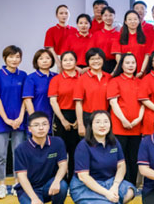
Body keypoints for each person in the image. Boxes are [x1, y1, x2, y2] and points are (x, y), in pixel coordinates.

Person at [71, 110, 136, 204]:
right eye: (98, 122)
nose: (102, 125)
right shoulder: (83, 145)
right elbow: (84, 177)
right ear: (91, 125)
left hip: (108, 182)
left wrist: (115, 186)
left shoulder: (114, 142)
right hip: (85, 186)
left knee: (130, 191)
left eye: (106, 122)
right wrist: (107, 194)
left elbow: (121, 165)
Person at [14, 112, 68, 204]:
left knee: (62, 185)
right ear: (29, 129)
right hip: (29, 189)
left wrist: (56, 181)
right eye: (36, 125)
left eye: (44, 124)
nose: (41, 128)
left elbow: (63, 165)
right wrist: (34, 198)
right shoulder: (21, 149)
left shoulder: (57, 142)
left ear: (49, 126)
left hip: (49, 185)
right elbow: (22, 177)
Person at [0, 45, 28, 199]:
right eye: (11, 56)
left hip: (19, 121)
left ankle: (17, 183)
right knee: (1, 155)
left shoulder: (23, 75)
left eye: (17, 57)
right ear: (5, 58)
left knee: (18, 154)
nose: (14, 60)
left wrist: (20, 117)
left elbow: (26, 98)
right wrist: (6, 119)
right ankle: (2, 185)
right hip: (0, 121)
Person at [107, 53, 145, 186]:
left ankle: (132, 186)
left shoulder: (140, 82)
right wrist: (123, 120)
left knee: (134, 158)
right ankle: (120, 186)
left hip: (136, 127)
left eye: (133, 63)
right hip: (119, 126)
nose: (130, 65)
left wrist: (138, 119)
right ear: (121, 65)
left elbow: (143, 103)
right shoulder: (115, 81)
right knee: (120, 158)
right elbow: (113, 102)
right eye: (127, 63)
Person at [47, 51, 81, 182]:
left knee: (75, 151)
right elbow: (53, 101)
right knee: (60, 150)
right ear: (61, 63)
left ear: (76, 62)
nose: (68, 62)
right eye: (65, 60)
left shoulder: (81, 78)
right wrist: (63, 120)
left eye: (71, 59)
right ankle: (60, 181)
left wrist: (79, 120)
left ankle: (73, 180)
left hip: (78, 115)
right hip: (61, 115)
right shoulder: (56, 79)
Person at [74, 48, 112, 137]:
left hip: (105, 117)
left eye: (98, 58)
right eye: (92, 59)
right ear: (88, 61)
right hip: (88, 117)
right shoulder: (82, 79)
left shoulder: (109, 78)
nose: (96, 61)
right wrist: (80, 124)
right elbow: (78, 103)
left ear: (103, 60)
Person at [23, 49, 57, 128]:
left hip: (54, 119)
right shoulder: (31, 78)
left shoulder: (56, 77)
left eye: (48, 58)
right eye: (41, 58)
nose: (45, 61)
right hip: (37, 118)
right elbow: (27, 101)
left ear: (52, 60)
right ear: (36, 61)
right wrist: (34, 120)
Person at [112, 10, 150, 78]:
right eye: (130, 19)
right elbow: (118, 57)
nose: (133, 21)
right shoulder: (119, 37)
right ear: (125, 22)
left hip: (141, 73)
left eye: (135, 19)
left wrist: (141, 72)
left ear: (139, 21)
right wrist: (125, 69)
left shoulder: (145, 37)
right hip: (124, 73)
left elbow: (146, 56)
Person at [44, 4, 77, 70]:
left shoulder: (75, 30)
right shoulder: (51, 30)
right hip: (55, 58)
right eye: (61, 13)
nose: (64, 15)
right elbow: (50, 48)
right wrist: (57, 61)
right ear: (57, 15)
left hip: (71, 59)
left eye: (66, 13)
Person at [92, 6, 121, 74]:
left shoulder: (119, 34)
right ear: (102, 17)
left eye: (110, 15)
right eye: (105, 15)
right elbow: (92, 51)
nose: (108, 18)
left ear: (114, 17)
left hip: (115, 64)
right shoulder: (96, 34)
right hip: (99, 63)